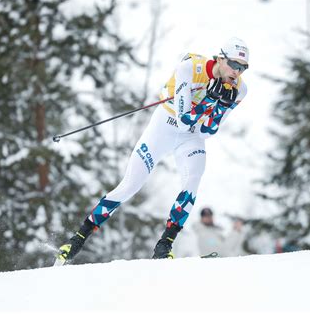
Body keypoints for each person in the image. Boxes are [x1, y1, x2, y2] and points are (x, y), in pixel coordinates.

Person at [56, 37, 249, 263]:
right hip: (165, 126)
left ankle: (164, 246)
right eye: (234, 65)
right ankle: (77, 239)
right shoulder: (191, 68)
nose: (237, 72)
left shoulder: (239, 89)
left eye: (243, 68)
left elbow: (207, 130)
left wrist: (221, 106)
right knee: (129, 186)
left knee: (192, 181)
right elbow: (183, 120)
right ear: (220, 58)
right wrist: (209, 99)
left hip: (192, 136)